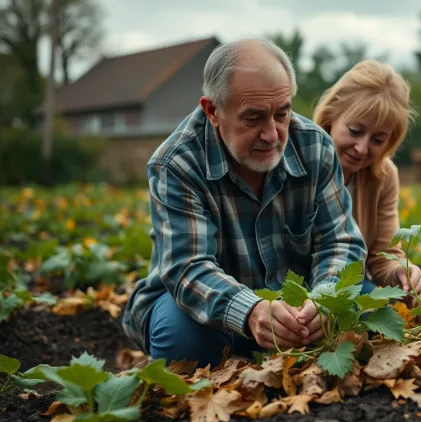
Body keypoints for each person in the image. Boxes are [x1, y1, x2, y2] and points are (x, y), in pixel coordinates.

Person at [121, 37, 368, 368]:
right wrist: (250, 311)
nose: (272, 134)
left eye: (282, 114)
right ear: (212, 111)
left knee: (365, 300)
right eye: (253, 118)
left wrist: (323, 300)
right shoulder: (177, 163)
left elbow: (340, 241)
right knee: (180, 340)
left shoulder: (314, 147)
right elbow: (187, 268)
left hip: (296, 308)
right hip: (209, 310)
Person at [312, 60, 421, 302]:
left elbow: (383, 255)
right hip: (298, 286)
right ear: (331, 116)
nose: (362, 148)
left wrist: (401, 273)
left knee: (377, 310)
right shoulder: (302, 161)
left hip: (350, 287)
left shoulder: (383, 177)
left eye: (378, 140)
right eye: (355, 131)